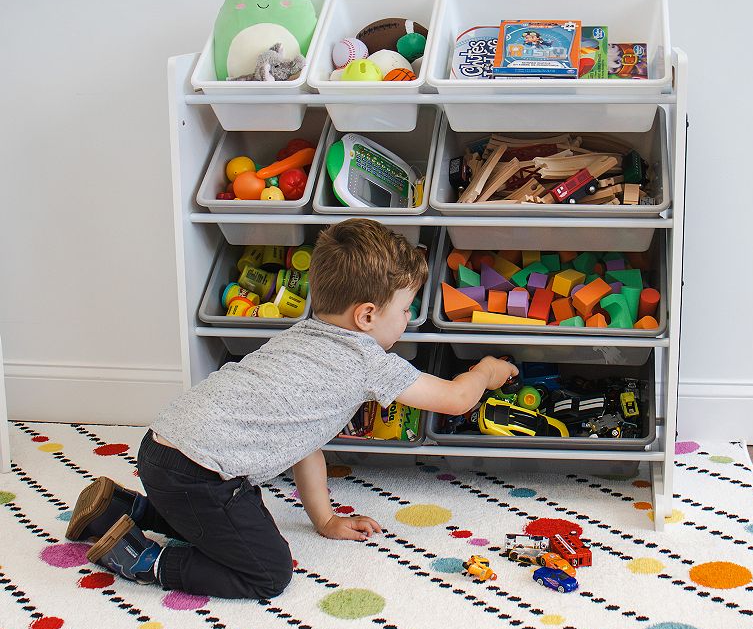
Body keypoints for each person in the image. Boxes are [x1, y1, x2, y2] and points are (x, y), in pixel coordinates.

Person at [65, 219, 517, 599]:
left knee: (224, 520)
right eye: (404, 309)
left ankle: (121, 509)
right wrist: (484, 370)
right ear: (366, 316)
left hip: (162, 450)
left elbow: (304, 443)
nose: (407, 318)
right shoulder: (365, 361)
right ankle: (140, 558)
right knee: (266, 571)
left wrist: (324, 519)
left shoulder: (300, 337)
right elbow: (456, 398)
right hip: (201, 476)